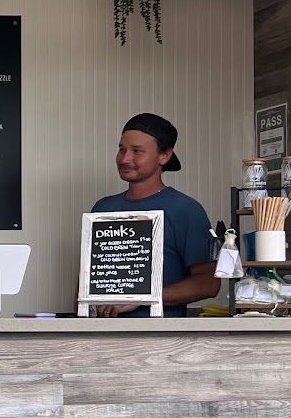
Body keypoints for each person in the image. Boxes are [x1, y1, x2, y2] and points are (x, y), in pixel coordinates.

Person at [89, 113, 218, 318]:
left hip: (159, 335)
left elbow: (209, 283)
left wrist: (140, 298)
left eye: (137, 151)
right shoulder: (102, 208)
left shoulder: (186, 210)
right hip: (99, 333)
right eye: (121, 149)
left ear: (164, 156)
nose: (125, 159)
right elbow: (85, 279)